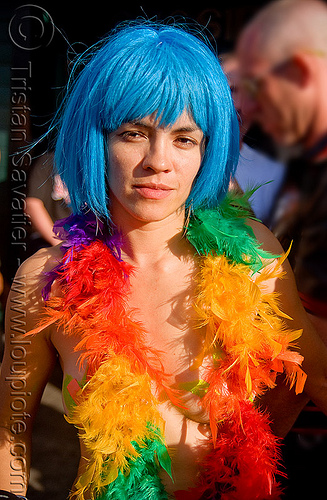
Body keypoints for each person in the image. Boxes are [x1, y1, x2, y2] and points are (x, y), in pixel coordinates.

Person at [1, 19, 327, 500]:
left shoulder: (251, 256)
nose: (159, 160)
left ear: (205, 152)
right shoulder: (45, 283)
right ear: (97, 140)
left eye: (184, 138)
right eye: (134, 133)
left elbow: (312, 377)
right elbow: (10, 435)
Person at [236, 0, 327, 343]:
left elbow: (311, 339)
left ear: (301, 73)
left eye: (256, 86)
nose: (252, 106)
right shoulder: (309, 165)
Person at [221, 52, 286, 226]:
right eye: (231, 90)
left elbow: (271, 248)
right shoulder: (179, 160)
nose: (240, 105)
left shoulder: (274, 173)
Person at [24, 151, 71, 256]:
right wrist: (59, 243)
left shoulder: (98, 164)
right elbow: (32, 205)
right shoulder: (49, 161)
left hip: (88, 244)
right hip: (49, 242)